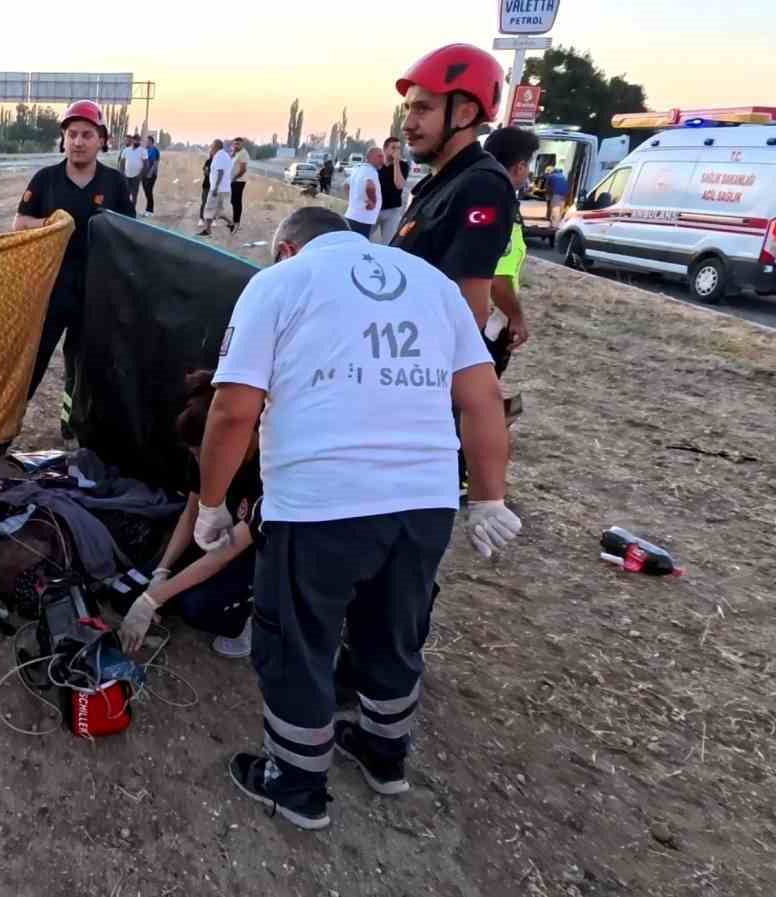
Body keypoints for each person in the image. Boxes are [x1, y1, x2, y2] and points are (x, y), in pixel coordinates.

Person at [195, 205, 520, 831]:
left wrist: (211, 504)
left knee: (298, 641)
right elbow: (483, 399)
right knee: (393, 631)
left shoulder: (278, 284)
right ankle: (383, 755)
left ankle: (295, 785)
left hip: (320, 503)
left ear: (287, 248)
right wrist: (488, 497)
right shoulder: (431, 283)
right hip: (423, 502)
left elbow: (233, 410)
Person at [0, 100, 134, 466]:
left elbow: (131, 235)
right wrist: (52, 226)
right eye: (72, 134)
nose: (78, 142)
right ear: (63, 139)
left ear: (101, 140)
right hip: (50, 289)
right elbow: (19, 224)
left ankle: (77, 433)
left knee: (85, 366)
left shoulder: (115, 184)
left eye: (87, 135)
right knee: (30, 363)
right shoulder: (46, 180)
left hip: (96, 291)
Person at [120, 371, 259, 659]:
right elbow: (192, 510)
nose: (199, 462)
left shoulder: (270, 469)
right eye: (194, 454)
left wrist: (153, 599)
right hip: (218, 533)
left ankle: (252, 616)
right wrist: (162, 571)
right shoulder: (206, 452)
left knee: (197, 608)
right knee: (127, 589)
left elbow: (228, 549)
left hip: (255, 550)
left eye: (202, 453)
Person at [389, 43, 514, 334]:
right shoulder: (441, 181)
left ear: (464, 114)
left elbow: (470, 313)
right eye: (407, 108)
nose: (407, 124)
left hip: (421, 364)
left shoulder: (482, 187)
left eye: (422, 109)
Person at [482, 126, 541, 377]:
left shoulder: (479, 197)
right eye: (527, 165)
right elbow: (498, 279)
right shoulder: (499, 208)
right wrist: (516, 317)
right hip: (486, 324)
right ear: (518, 167)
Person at [373, 137, 411, 244]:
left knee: (389, 243)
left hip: (392, 210)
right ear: (385, 149)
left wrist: (396, 163)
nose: (396, 151)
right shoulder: (377, 165)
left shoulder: (403, 166)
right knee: (364, 237)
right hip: (374, 209)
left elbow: (399, 185)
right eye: (393, 148)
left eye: (398, 148)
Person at [343, 146, 383, 236]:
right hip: (363, 218)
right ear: (370, 157)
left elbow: (345, 185)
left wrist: (350, 201)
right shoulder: (371, 171)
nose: (382, 159)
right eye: (379, 156)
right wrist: (372, 202)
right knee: (360, 245)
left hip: (351, 215)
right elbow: (370, 186)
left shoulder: (358, 169)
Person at [197, 139, 234, 237]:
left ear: (216, 146)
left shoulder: (219, 156)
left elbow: (220, 172)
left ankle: (207, 230)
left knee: (208, 208)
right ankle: (231, 223)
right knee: (218, 211)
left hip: (218, 189)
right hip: (224, 189)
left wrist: (216, 188)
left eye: (212, 145)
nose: (211, 147)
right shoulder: (225, 155)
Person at [119, 133, 147, 208]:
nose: (136, 142)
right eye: (135, 140)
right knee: (126, 193)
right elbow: (122, 162)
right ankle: (126, 209)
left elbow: (145, 164)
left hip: (136, 177)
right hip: (126, 176)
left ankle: (132, 210)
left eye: (138, 140)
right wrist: (122, 173)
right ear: (133, 140)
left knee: (134, 194)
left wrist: (140, 175)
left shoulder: (143, 151)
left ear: (140, 141)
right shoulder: (126, 150)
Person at [230, 137, 251, 233]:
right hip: (234, 181)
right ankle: (234, 221)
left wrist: (234, 178)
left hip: (239, 181)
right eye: (235, 144)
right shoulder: (236, 153)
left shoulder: (243, 153)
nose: (236, 145)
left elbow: (243, 169)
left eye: (238, 144)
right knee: (234, 201)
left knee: (236, 202)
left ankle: (236, 223)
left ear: (242, 144)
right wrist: (232, 153)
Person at [140, 134, 160, 217]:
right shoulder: (146, 150)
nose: (146, 143)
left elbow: (155, 164)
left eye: (147, 141)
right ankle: (147, 209)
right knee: (146, 191)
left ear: (151, 142)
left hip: (152, 175)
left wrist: (150, 174)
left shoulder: (155, 150)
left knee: (149, 191)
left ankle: (150, 210)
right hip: (144, 175)